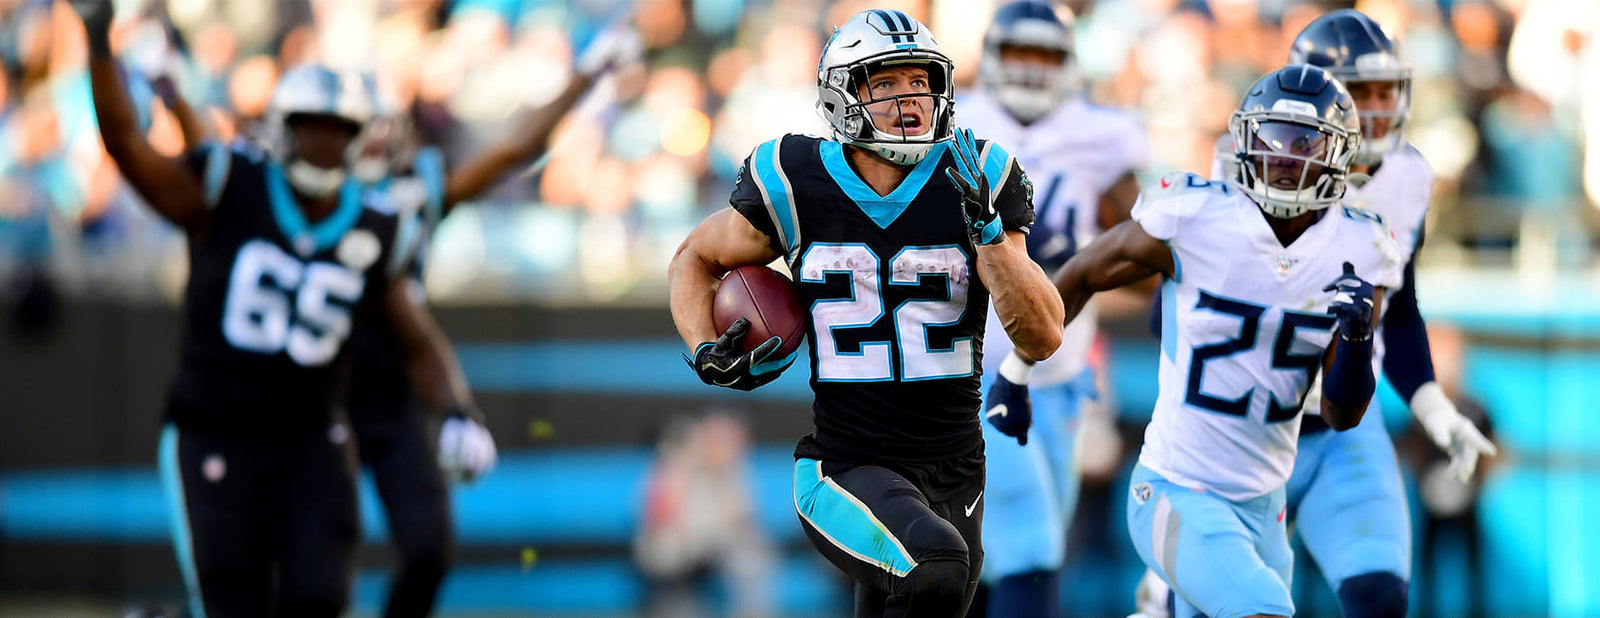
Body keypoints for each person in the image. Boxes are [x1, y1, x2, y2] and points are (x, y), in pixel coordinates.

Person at [72, 3, 484, 616]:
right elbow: (127, 145)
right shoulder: (228, 183)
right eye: (312, 125)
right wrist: (98, 38)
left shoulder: (373, 225)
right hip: (216, 433)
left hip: (312, 441)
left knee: (317, 600)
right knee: (236, 605)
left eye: (339, 128)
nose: (324, 141)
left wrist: (456, 410)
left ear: (359, 136)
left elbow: (416, 340)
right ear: (283, 127)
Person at [668, 9, 1064, 616]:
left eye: (920, 82)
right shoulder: (795, 180)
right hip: (845, 466)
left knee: (931, 585)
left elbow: (1042, 336)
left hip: (957, 470)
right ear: (842, 95)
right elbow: (694, 258)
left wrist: (987, 234)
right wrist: (703, 346)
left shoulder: (978, 173)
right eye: (886, 84)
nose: (909, 101)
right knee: (933, 566)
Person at [1140, 12, 1499, 618]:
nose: (1379, 109)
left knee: (1380, 594)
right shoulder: (1249, 166)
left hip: (1340, 428)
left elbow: (1401, 307)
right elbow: (1169, 312)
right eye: (1362, 92)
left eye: (1387, 91)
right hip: (1240, 429)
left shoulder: (1408, 176)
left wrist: (1432, 407)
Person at [1055, 63, 1402, 618]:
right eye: (1273, 139)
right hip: (1177, 489)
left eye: (1305, 143)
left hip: (1266, 505)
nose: (1285, 158)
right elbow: (1078, 275)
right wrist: (1019, 373)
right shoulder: (1195, 215)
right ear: (1245, 138)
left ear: (1339, 156)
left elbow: (1340, 412)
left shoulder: (1360, 246)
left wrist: (1358, 340)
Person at [339, 25, 639, 618]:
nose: (376, 138)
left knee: (428, 551)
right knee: (313, 561)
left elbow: (510, 151)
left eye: (384, 125)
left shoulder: (411, 192)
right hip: (313, 394)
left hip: (394, 390)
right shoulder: (298, 196)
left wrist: (584, 77)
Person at [954, 2, 1149, 616]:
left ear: (1069, 63)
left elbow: (1141, 263)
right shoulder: (953, 121)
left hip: (1060, 374)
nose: (1032, 70)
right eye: (1019, 54)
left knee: (1009, 553)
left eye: (1045, 55)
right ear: (991, 58)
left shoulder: (1101, 135)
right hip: (971, 366)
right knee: (1032, 546)